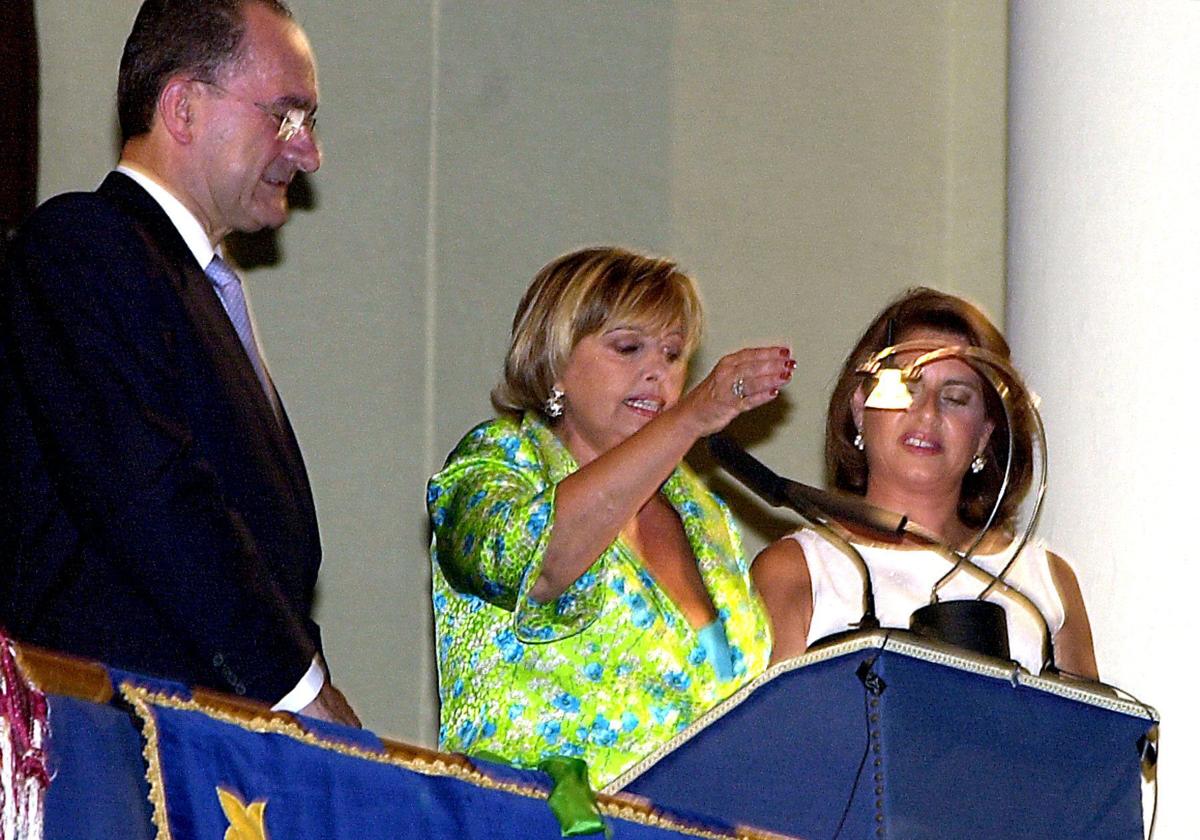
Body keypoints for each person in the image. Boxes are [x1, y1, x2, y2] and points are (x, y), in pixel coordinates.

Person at [0, 0, 358, 725]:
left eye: (310, 124)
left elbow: (263, 559)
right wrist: (303, 699)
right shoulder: (84, 246)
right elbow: (154, 499)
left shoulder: (201, 287)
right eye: (286, 117)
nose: (308, 153)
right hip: (104, 754)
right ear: (185, 107)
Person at [427, 246, 794, 787]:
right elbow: (542, 562)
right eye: (629, 348)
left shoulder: (700, 513)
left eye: (673, 355)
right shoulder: (497, 463)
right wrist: (693, 416)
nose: (658, 373)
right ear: (555, 363)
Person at [753, 288, 1098, 679]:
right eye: (906, 389)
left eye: (955, 398)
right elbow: (771, 735)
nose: (928, 412)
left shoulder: (1042, 581)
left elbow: (1091, 736)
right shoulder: (798, 570)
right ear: (859, 409)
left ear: (984, 434)